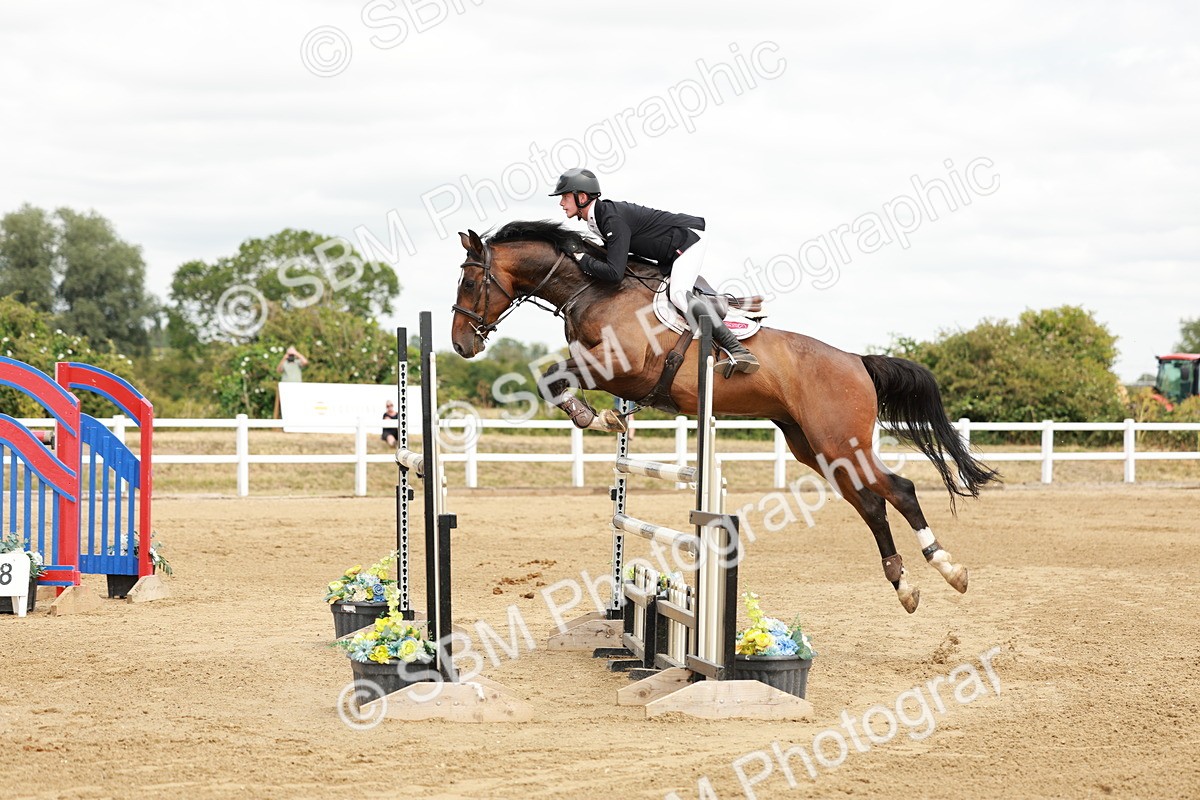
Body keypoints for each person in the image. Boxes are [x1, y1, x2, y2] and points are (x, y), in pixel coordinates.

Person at [549, 167, 759, 374]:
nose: (561, 202)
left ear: (582, 197)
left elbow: (614, 273)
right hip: (667, 250)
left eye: (565, 197)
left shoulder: (610, 219)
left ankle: (737, 350)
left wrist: (580, 258)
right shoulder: (596, 220)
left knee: (678, 296)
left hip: (688, 241)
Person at [274, 346, 309, 418]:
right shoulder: (284, 363)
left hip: (297, 386)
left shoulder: (298, 362)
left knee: (298, 404)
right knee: (285, 405)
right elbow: (278, 370)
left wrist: (296, 353)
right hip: (285, 387)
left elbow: (305, 362)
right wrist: (284, 358)